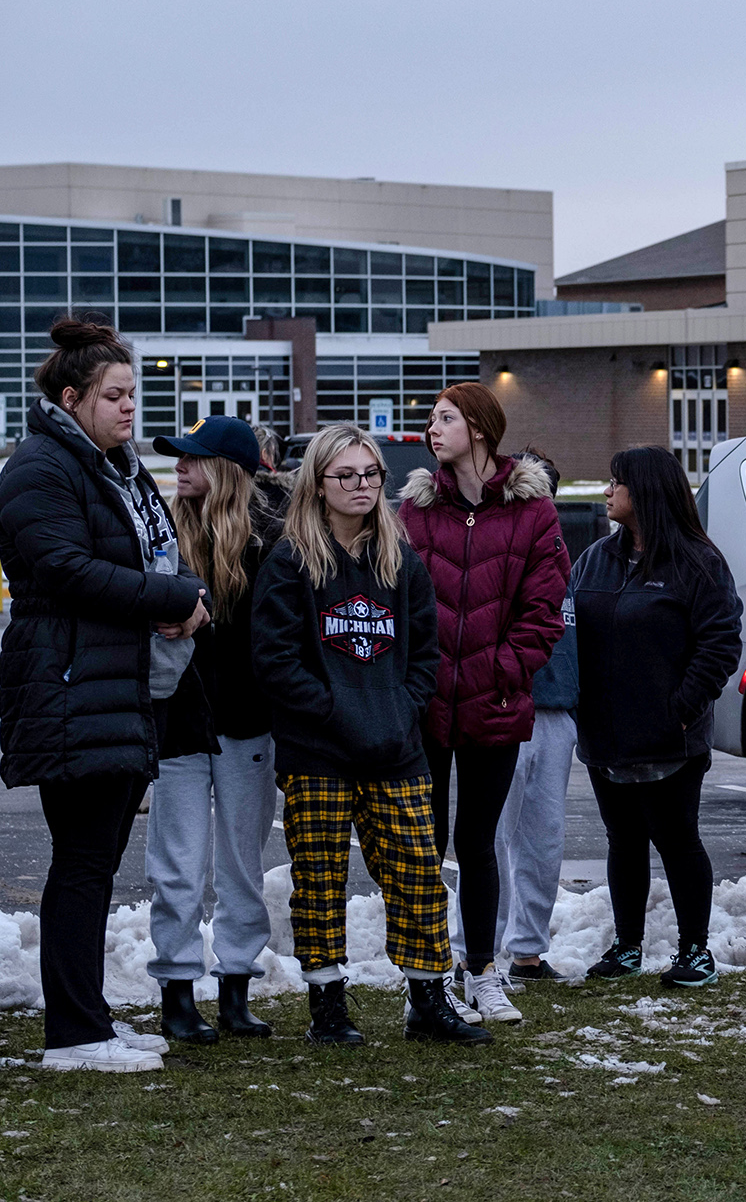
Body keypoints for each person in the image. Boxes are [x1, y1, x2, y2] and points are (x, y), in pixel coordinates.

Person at [0, 318, 211, 1073]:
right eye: (114, 395)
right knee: (82, 861)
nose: (128, 408)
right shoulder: (38, 468)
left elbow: (143, 551)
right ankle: (74, 1034)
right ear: (70, 396)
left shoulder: (109, 465)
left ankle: (91, 1020)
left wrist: (178, 595)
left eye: (132, 394)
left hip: (112, 688)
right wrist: (173, 595)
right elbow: (65, 569)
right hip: (68, 687)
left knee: (97, 858)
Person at [253, 422, 488, 1047]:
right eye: (346, 476)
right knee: (321, 878)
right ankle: (328, 1008)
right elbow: (276, 661)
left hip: (396, 747)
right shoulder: (290, 560)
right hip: (317, 751)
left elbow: (424, 657)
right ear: (318, 483)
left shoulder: (397, 556)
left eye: (371, 475)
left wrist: (399, 711)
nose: (361, 486)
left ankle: (428, 1001)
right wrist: (337, 712)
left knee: (417, 869)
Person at [399, 383, 569, 1024]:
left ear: (477, 427)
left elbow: (543, 612)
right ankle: (428, 978)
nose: (431, 430)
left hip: (493, 702)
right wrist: (414, 678)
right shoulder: (415, 511)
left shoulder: (533, 513)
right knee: (423, 843)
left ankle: (483, 973)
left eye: (443, 418)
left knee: (478, 842)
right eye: (431, 418)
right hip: (424, 702)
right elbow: (397, 599)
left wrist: (502, 670)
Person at [568, 446, 742, 986]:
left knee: (676, 839)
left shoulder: (697, 562)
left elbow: (720, 642)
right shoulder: (596, 557)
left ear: (644, 492)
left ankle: (696, 951)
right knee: (622, 840)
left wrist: (681, 708)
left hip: (670, 738)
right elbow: (570, 630)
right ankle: (626, 947)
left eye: (616, 482)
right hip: (604, 737)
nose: (606, 491)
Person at [143, 416, 283, 1043]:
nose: (181, 466)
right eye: (178, 456)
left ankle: (235, 986)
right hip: (176, 723)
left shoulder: (272, 540)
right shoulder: (161, 533)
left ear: (228, 471)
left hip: (248, 727)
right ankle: (176, 992)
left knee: (241, 865)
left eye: (194, 459)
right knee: (175, 864)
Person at [494, 450, 578, 983]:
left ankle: (527, 950)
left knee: (544, 842)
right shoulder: (496, 551)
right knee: (491, 843)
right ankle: (470, 949)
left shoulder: (568, 558)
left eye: (541, 490)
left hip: (557, 714)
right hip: (501, 710)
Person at [251, 424, 290, 516]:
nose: (273, 461)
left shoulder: (234, 485)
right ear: (264, 454)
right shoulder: (282, 490)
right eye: (272, 454)